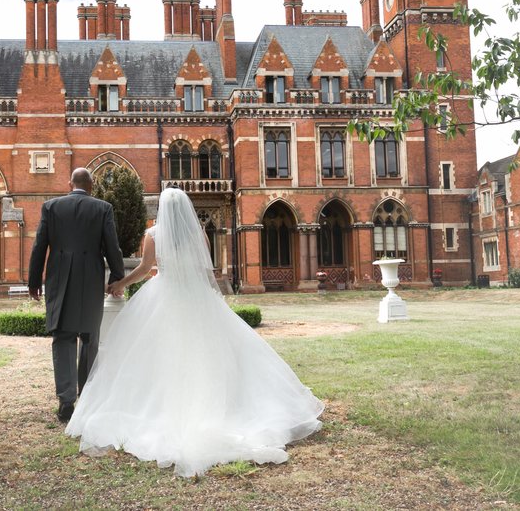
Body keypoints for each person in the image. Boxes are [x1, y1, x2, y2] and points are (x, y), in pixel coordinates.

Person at [65, 187, 324, 477]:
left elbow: (145, 267)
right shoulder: (197, 232)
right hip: (195, 295)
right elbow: (206, 269)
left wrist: (120, 284)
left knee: (158, 354)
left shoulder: (153, 235)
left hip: (164, 295)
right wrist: (213, 298)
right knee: (206, 353)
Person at [27, 167, 125, 422]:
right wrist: (116, 276)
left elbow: (40, 245)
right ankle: (88, 398)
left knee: (63, 337)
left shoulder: (51, 207)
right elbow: (111, 246)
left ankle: (66, 401)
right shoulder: (103, 208)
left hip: (59, 278)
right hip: (91, 278)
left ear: (70, 184)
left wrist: (34, 281)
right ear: (91, 185)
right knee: (90, 337)